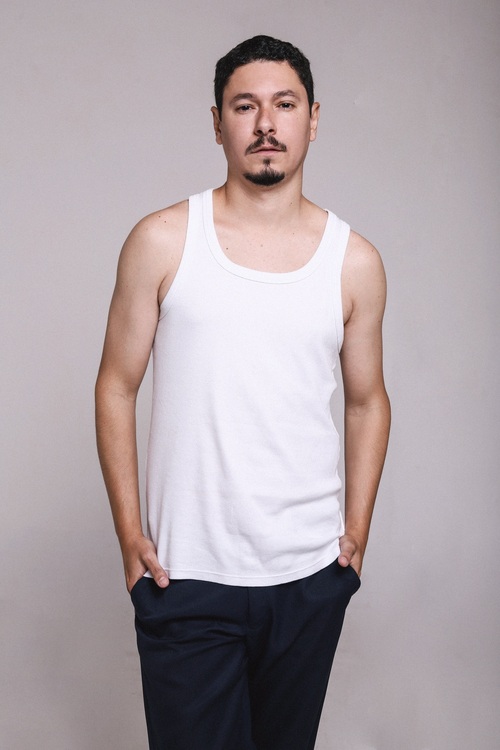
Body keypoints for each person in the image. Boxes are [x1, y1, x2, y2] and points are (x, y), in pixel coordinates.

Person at [95, 34, 390, 750]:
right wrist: (130, 537)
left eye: (284, 105)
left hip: (309, 575)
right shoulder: (163, 241)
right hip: (186, 576)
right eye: (244, 106)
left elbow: (367, 401)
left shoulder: (353, 261)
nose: (265, 124)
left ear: (312, 119)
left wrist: (356, 531)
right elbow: (116, 385)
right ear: (218, 122)